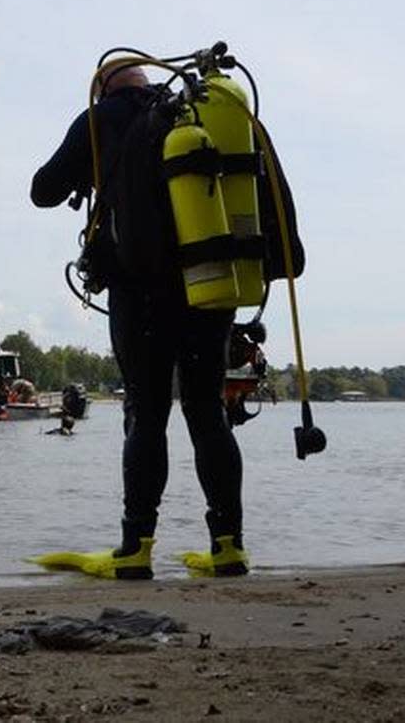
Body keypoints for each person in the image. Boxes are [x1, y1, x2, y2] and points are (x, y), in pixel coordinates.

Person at [29, 61, 248, 579]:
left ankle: (135, 549)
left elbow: (43, 190)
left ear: (104, 85)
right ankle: (229, 548)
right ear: (149, 82)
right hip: (210, 280)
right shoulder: (197, 115)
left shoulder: (101, 117)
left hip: (142, 290)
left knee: (147, 413)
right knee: (207, 411)